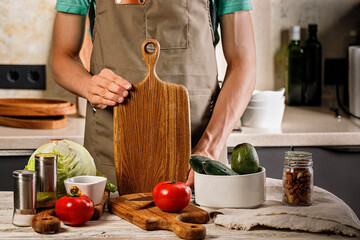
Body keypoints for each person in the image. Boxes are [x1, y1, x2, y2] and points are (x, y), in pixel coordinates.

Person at [51, 0, 256, 188]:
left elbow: (243, 64)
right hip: (111, 154)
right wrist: (88, 86)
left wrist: (208, 148)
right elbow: (62, 56)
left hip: (197, 159)